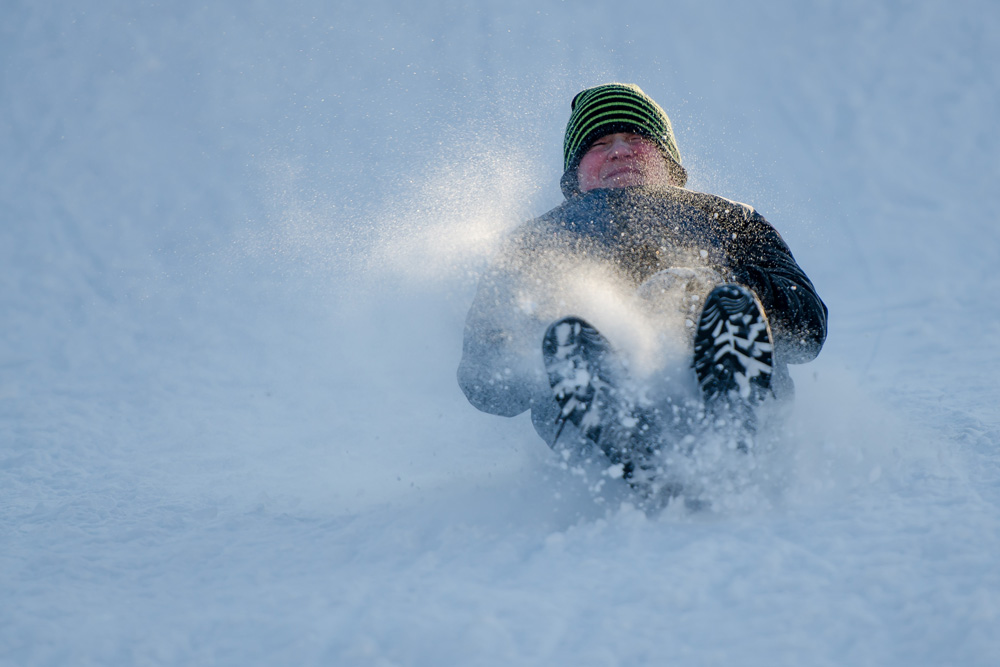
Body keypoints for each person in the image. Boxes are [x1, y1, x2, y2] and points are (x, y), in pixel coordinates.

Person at [457, 83, 827, 493]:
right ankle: (630, 446)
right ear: (575, 174)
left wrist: (730, 285)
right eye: (599, 143)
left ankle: (731, 429)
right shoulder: (533, 245)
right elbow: (485, 383)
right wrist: (533, 332)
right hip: (596, 428)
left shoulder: (727, 219)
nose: (619, 150)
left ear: (670, 164)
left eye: (636, 138)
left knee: (721, 301)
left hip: (728, 379)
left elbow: (807, 330)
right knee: (568, 337)